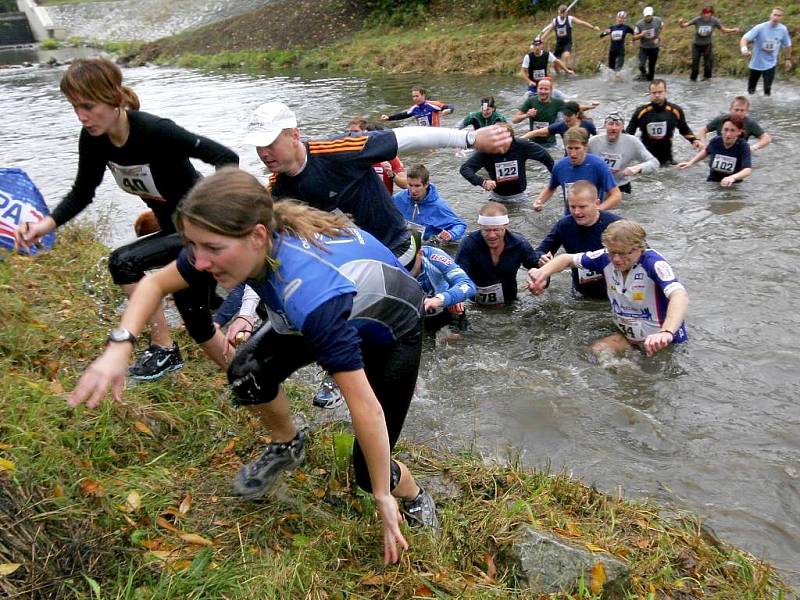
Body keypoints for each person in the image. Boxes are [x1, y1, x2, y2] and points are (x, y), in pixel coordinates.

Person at [68, 167, 440, 564]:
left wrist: (382, 495)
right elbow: (154, 284)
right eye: (193, 246)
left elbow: (364, 406)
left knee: (368, 474)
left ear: (258, 236)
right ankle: (288, 444)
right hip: (322, 307)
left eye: (211, 248)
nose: (201, 262)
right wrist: (119, 345)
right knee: (245, 375)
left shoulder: (309, 292)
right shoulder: (234, 242)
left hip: (390, 329)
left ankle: (415, 495)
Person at [235, 102, 511, 407]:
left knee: (363, 316)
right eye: (258, 147)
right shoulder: (277, 190)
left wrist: (469, 140)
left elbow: (402, 138)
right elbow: (263, 254)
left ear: (294, 135)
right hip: (347, 261)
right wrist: (247, 312)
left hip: (396, 249)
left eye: (270, 143)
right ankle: (347, 369)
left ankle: (365, 372)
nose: (264, 153)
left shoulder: (335, 151)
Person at [13, 57, 239, 380]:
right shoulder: (94, 139)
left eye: (88, 106)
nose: (82, 116)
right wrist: (44, 226)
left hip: (201, 229)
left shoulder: (156, 131)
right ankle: (249, 384)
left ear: (115, 100)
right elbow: (83, 191)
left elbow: (226, 157)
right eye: (75, 107)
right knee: (200, 328)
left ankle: (164, 350)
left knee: (123, 262)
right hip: (175, 233)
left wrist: (221, 215)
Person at [528, 219, 688, 357]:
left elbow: (679, 295)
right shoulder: (605, 258)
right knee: (594, 353)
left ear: (639, 247)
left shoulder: (654, 263)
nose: (616, 259)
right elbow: (566, 259)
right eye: (612, 252)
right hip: (628, 336)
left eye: (623, 253)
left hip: (661, 340)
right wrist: (542, 273)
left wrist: (666, 332)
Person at [536, 181, 623, 299]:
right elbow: (540, 251)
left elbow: (642, 253)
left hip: (616, 296)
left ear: (597, 204)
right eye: (572, 207)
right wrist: (541, 258)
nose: (577, 212)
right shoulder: (564, 225)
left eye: (582, 207)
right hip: (581, 295)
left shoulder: (617, 225)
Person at [455, 202, 541, 307]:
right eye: (486, 230)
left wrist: (538, 284)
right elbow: (457, 275)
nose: (491, 235)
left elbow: (539, 270)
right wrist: (456, 298)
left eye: (496, 229)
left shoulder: (519, 244)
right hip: (475, 304)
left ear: (505, 226)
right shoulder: (469, 243)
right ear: (480, 226)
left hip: (509, 303)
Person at [459, 122, 554, 204]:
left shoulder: (521, 146)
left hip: (519, 197)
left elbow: (545, 156)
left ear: (511, 138)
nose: (500, 145)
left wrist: (556, 178)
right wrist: (482, 182)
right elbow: (465, 169)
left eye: (504, 141)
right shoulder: (487, 150)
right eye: (497, 140)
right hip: (496, 197)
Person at [534, 127, 620, 215]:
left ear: (585, 147)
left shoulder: (598, 165)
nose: (573, 153)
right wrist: (539, 201)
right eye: (570, 148)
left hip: (593, 218)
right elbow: (550, 188)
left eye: (577, 148)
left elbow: (616, 195)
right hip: (570, 218)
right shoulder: (559, 166)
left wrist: (598, 209)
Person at [626, 79, 702, 166]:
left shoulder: (675, 110)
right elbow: (629, 134)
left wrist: (695, 140)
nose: (657, 95)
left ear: (666, 92)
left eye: (660, 92)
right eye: (654, 93)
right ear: (650, 93)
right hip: (645, 160)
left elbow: (684, 129)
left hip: (667, 159)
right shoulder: (641, 112)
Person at [391, 164, 467, 244]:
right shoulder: (398, 198)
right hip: (402, 242)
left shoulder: (438, 206)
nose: (413, 190)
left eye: (417, 186)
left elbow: (460, 225)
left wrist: (451, 234)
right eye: (410, 185)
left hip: (427, 246)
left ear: (426, 184)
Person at [587, 111, 659, 194]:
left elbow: (654, 163)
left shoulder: (632, 142)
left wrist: (638, 168)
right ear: (605, 126)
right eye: (610, 124)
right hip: (598, 186)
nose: (614, 128)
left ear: (622, 127)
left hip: (622, 187)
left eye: (617, 124)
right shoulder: (593, 142)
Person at [412, 244, 475, 335]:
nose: (406, 269)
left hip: (446, 309)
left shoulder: (435, 256)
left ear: (420, 253)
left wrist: (448, 297)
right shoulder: (389, 259)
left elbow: (467, 284)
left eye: (410, 263)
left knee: (454, 341)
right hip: (413, 316)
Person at [677, 117, 752, 186]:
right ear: (721, 130)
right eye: (726, 130)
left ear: (739, 132)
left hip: (733, 185)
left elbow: (747, 170)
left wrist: (732, 178)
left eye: (732, 130)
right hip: (712, 182)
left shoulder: (743, 146)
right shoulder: (715, 141)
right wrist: (690, 162)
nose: (728, 134)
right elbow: (706, 151)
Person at [740, 7, 793, 96]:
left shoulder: (783, 30)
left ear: (782, 17)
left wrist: (788, 59)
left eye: (779, 16)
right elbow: (744, 39)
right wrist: (744, 50)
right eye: (774, 15)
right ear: (770, 15)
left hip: (770, 63)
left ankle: (766, 109)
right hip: (756, 63)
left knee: (767, 91)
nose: (776, 17)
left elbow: (787, 45)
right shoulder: (760, 27)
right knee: (751, 91)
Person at [678, 6, 740, 81]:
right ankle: (693, 80)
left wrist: (733, 29)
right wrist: (680, 22)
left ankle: (707, 80)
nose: (706, 15)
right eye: (705, 13)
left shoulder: (714, 21)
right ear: (702, 14)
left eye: (708, 13)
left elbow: (723, 30)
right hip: (696, 45)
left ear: (711, 14)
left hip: (707, 45)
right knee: (695, 65)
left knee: (708, 65)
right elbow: (683, 26)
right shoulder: (697, 20)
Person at [347, 119, 408, 194]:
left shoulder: (389, 156)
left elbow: (405, 184)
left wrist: (392, 174)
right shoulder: (354, 155)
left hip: (383, 202)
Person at [697, 96, 772, 151]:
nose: (738, 113)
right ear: (730, 109)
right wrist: (704, 145)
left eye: (742, 110)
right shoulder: (721, 119)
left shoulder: (749, 123)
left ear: (747, 112)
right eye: (736, 110)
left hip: (738, 151)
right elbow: (702, 130)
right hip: (719, 149)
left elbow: (767, 138)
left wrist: (752, 148)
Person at [540, 3, 601, 69]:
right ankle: (561, 74)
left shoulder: (570, 19)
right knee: (555, 65)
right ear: (559, 12)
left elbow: (582, 23)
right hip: (559, 44)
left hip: (567, 43)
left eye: (564, 13)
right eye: (561, 13)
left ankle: (566, 71)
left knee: (566, 56)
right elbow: (548, 30)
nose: (563, 14)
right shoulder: (555, 21)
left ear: (566, 12)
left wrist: (593, 27)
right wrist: (541, 38)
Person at [521, 100, 598, 147]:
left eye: (569, 115)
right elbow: (538, 132)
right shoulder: (561, 126)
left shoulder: (588, 125)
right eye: (564, 114)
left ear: (577, 114)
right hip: (568, 158)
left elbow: (598, 140)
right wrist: (519, 140)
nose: (566, 118)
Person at [381, 87, 452, 127]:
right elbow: (403, 115)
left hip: (436, 132)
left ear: (423, 95)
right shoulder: (414, 108)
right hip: (422, 133)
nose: (414, 98)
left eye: (417, 96)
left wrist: (448, 110)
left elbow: (449, 107)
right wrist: (389, 118)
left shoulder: (433, 104)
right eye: (413, 96)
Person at [633, 6, 664, 81]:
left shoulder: (658, 20)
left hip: (654, 48)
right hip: (644, 48)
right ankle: (643, 74)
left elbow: (662, 26)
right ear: (643, 15)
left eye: (649, 16)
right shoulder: (639, 24)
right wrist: (641, 35)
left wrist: (657, 36)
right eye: (646, 16)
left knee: (651, 70)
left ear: (652, 15)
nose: (648, 18)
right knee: (641, 65)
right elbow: (634, 37)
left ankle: (649, 86)